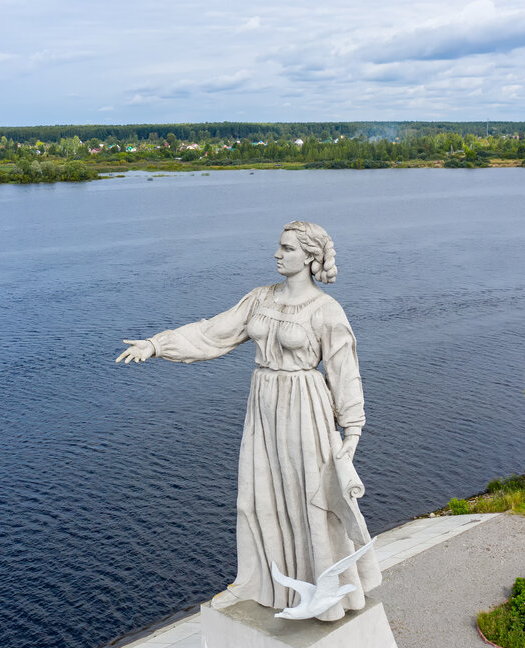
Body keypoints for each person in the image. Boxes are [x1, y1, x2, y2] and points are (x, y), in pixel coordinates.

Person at [116, 222, 380, 621]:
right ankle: (263, 581)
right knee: (258, 495)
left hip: (305, 407)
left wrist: (352, 431)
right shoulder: (260, 299)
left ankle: (326, 590)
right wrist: (156, 344)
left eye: (287, 248)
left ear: (309, 257)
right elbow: (211, 334)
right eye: (279, 246)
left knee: (311, 495)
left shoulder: (327, 310)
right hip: (264, 404)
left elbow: (345, 370)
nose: (277, 254)